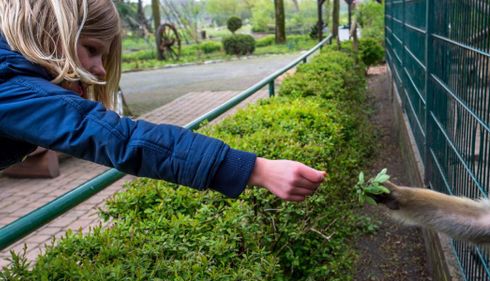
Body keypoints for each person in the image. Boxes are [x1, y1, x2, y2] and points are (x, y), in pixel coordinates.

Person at [0, 0, 326, 202]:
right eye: (92, 49)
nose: (99, 69)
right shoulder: (10, 85)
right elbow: (124, 139)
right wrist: (256, 170)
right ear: (52, 33)